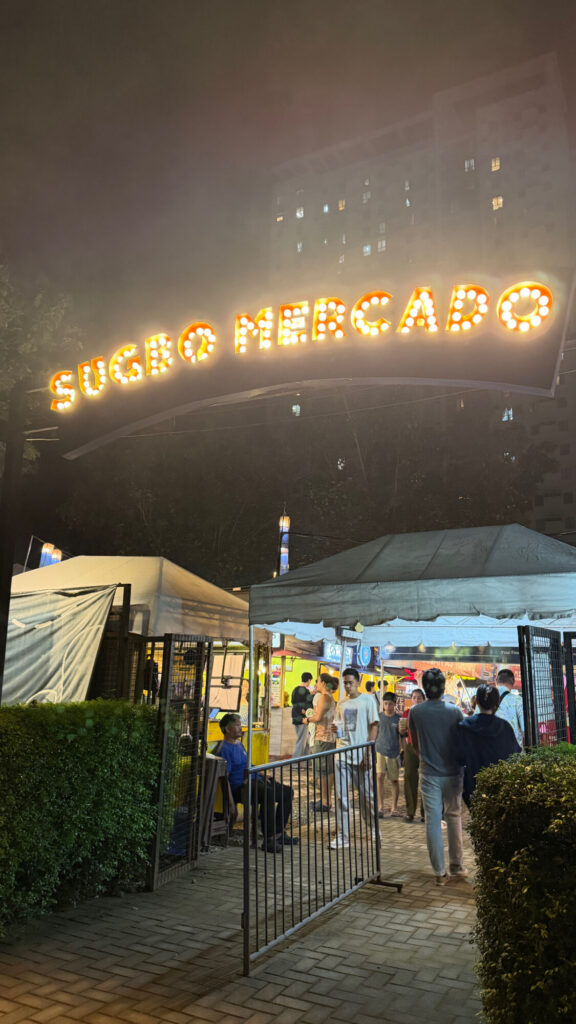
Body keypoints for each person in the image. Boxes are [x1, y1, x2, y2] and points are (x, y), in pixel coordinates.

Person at [409, 667, 467, 885]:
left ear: (425, 688)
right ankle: (457, 866)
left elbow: (414, 743)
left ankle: (439, 873)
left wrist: (425, 757)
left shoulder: (416, 712)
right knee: (454, 817)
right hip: (453, 773)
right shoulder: (455, 711)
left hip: (428, 773)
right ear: (443, 688)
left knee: (433, 821)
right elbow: (461, 741)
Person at [217, 713, 297, 853]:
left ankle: (279, 833)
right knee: (268, 793)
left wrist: (261, 773)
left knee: (286, 792)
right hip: (241, 787)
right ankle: (269, 839)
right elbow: (225, 779)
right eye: (237, 725)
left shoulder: (239, 745)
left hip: (254, 780)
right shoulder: (224, 749)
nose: (240, 728)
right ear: (228, 729)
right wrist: (230, 802)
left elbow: (247, 764)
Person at [330, 667, 379, 849]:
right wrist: (335, 729)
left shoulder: (368, 701)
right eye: (345, 683)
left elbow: (374, 726)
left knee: (367, 796)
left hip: (361, 755)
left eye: (350, 683)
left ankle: (373, 828)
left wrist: (367, 752)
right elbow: (339, 726)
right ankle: (343, 835)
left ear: (358, 682)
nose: (348, 686)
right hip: (342, 754)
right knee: (341, 797)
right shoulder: (341, 703)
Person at [453, 683, 521, 805]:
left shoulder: (465, 726)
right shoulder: (505, 727)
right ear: (497, 704)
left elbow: (458, 757)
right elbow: (514, 754)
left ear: (477, 702)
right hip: (501, 785)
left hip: (473, 785)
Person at [307, 673, 338, 812]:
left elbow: (318, 717)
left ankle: (325, 802)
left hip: (322, 738)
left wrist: (307, 719)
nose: (316, 684)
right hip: (329, 738)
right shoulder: (330, 697)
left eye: (318, 682)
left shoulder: (324, 697)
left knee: (323, 771)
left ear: (323, 683)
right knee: (327, 770)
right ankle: (326, 800)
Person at [400, 688, 425, 822]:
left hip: (425, 747)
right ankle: (410, 811)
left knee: (425, 778)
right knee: (409, 777)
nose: (416, 700)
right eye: (414, 697)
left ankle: (425, 812)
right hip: (410, 746)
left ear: (423, 700)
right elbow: (402, 731)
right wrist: (401, 730)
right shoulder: (407, 712)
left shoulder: (427, 713)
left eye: (419, 697)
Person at [375, 692, 401, 817]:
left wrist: (403, 751)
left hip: (393, 753)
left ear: (395, 704)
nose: (388, 706)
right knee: (379, 776)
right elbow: (374, 734)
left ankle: (394, 808)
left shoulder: (398, 719)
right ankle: (381, 807)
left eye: (390, 704)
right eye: (385, 704)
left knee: (394, 780)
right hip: (379, 750)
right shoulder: (378, 717)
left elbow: (401, 736)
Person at [494, 668, 524, 747]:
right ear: (513, 682)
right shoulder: (518, 700)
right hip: (511, 749)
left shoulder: (485, 698)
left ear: (496, 680)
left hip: (489, 748)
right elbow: (524, 729)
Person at [291, 672, 314, 757]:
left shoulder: (295, 690)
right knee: (301, 741)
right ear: (309, 680)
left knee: (306, 740)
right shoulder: (306, 692)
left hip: (295, 717)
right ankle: (295, 761)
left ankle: (306, 759)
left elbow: (293, 702)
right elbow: (308, 705)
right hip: (303, 719)